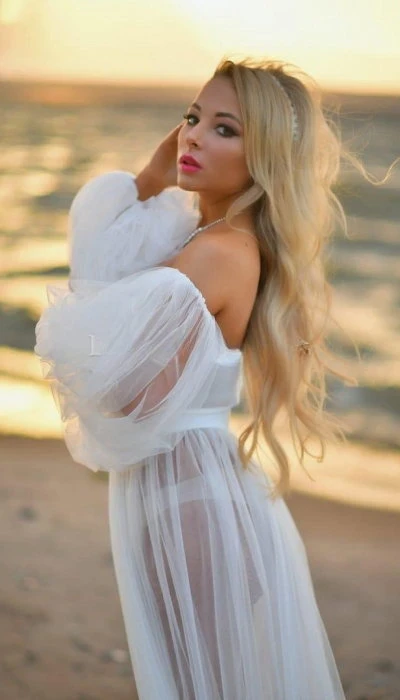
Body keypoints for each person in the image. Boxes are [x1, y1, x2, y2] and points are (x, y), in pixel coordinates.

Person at [34, 56, 354, 698]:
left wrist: (90, 341)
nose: (194, 136)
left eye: (225, 129)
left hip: (191, 509)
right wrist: (153, 178)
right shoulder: (207, 237)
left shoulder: (215, 252)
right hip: (190, 495)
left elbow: (127, 399)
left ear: (264, 157)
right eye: (192, 117)